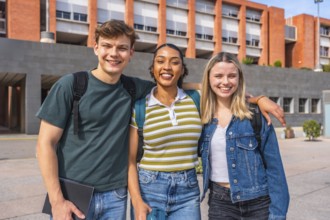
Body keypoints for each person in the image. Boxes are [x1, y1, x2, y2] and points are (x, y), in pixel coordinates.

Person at [127, 44, 287, 220]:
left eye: (174, 62)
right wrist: (136, 200)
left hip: (191, 191)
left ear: (182, 68)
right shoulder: (143, 107)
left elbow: (225, 90)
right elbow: (130, 160)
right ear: (152, 67)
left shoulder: (195, 100)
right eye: (160, 61)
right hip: (156, 189)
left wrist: (259, 99)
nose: (167, 66)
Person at [36, 20, 154, 219]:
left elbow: (172, 91)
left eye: (122, 48)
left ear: (131, 53)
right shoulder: (70, 85)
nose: (114, 54)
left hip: (115, 196)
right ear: (96, 48)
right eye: (107, 46)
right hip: (72, 195)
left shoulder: (134, 88)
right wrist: (57, 201)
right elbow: (45, 144)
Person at [199, 52, 290, 220]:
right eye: (218, 76)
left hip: (258, 203)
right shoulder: (202, 117)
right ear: (208, 79)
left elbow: (275, 170)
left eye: (232, 76)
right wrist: (260, 98)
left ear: (239, 79)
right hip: (220, 204)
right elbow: (179, 87)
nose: (225, 82)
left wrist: (278, 214)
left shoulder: (255, 115)